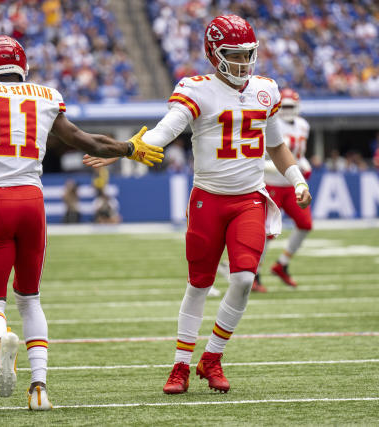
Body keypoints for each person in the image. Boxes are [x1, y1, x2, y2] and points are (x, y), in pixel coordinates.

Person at [0, 35, 163, 410]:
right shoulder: (44, 95)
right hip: (33, 201)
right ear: (21, 65)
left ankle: (3, 339)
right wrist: (128, 148)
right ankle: (39, 388)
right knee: (30, 299)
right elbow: (83, 140)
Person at [83, 15, 311, 394]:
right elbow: (165, 129)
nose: (244, 63)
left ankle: (213, 356)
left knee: (241, 280)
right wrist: (128, 148)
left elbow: (276, 145)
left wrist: (297, 179)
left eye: (248, 54)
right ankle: (180, 365)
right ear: (214, 54)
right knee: (199, 284)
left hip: (250, 199)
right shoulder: (197, 89)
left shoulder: (266, 90)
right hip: (208, 199)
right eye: (235, 55)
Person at [255, 88, 313, 291]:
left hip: (291, 186)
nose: (287, 111)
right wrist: (288, 168)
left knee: (305, 224)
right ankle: (255, 274)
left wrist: (303, 166)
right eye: (284, 106)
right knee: (267, 233)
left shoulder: (303, 125)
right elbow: (258, 159)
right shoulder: (270, 124)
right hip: (271, 184)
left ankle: (282, 264)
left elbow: (299, 154)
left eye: (291, 106)